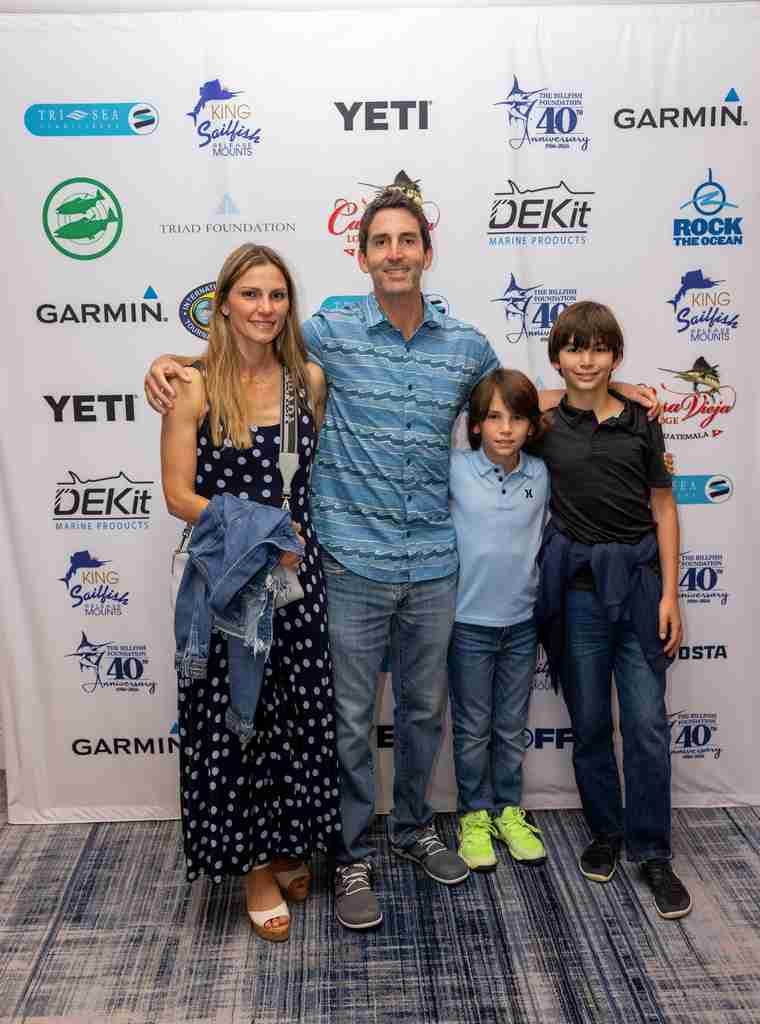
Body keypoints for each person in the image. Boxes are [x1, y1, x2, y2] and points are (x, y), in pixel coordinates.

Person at [145, 186, 659, 932]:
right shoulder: (327, 334)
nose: (395, 254)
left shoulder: (465, 346)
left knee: (423, 713)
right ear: (361, 256)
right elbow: (247, 352)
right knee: (350, 719)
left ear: (426, 251)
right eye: (380, 241)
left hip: (435, 566)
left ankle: (414, 827)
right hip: (347, 564)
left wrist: (609, 390)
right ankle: (351, 852)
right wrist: (168, 362)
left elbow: (514, 403)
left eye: (407, 240)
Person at [160, 243, 341, 942]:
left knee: (294, 719)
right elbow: (178, 495)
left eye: (277, 295)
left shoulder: (308, 382)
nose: (266, 308)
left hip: (297, 581)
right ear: (224, 304)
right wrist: (261, 529)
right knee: (239, 724)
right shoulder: (194, 387)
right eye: (251, 294)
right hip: (230, 586)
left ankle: (289, 842)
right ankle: (255, 868)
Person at [532, 300, 691, 920]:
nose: (587, 360)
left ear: (616, 354)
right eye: (575, 348)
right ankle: (606, 832)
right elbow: (508, 399)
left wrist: (672, 595)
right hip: (578, 593)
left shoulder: (641, 422)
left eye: (600, 350)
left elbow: (664, 509)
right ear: (557, 357)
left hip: (643, 588)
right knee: (592, 721)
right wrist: (613, 385)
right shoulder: (545, 424)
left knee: (647, 724)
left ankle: (653, 851)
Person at [448, 369, 549, 872]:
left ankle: (509, 810)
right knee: (473, 729)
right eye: (493, 417)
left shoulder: (541, 474)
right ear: (475, 425)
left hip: (523, 623)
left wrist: (621, 390)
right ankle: (474, 815)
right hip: (468, 623)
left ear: (531, 425)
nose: (505, 429)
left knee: (510, 727)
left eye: (517, 418)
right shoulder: (455, 469)